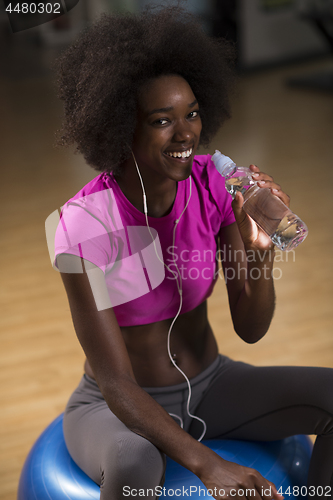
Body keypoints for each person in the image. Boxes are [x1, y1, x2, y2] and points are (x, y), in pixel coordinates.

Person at [53, 5, 333, 500]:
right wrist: (209, 465)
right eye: (162, 120)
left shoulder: (214, 186)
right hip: (115, 406)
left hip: (210, 384)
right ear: (121, 127)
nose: (185, 135)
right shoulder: (86, 223)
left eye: (193, 114)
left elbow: (249, 329)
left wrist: (260, 256)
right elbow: (117, 384)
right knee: (135, 461)